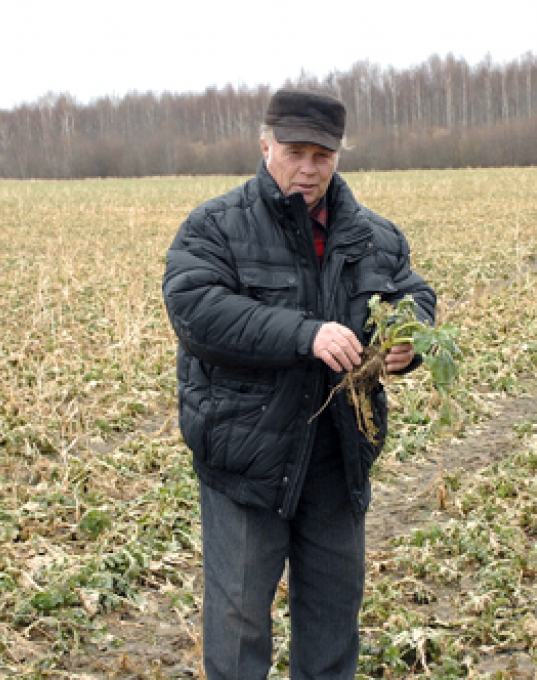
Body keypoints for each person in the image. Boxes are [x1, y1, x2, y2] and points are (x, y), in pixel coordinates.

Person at [162, 89, 436, 680]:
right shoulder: (216, 227)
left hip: (337, 459)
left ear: (339, 156)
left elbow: (414, 295)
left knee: (333, 619)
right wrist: (304, 333)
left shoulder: (373, 236)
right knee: (238, 628)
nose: (308, 168)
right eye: (294, 151)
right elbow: (196, 310)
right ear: (265, 145)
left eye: (323, 154)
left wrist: (408, 343)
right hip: (247, 460)